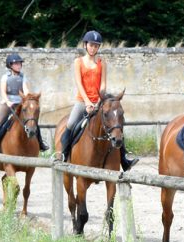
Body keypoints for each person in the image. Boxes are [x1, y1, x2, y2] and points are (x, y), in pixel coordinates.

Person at [59, 30, 138, 171]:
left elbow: (103, 85)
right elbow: (79, 83)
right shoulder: (78, 62)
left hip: (100, 101)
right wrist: (87, 102)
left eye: (96, 46)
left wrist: (98, 102)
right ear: (85, 45)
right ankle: (63, 155)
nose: (93, 48)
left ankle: (124, 160)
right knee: (70, 124)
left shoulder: (102, 63)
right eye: (91, 45)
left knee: (115, 124)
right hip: (82, 101)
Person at [0, 53, 49, 151]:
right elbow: (3, 92)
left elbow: (25, 90)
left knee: (32, 121)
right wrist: (7, 101)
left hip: (20, 103)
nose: (19, 66)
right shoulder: (5, 77)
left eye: (20, 64)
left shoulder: (23, 77)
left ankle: (41, 143)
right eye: (16, 64)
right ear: (10, 65)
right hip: (8, 103)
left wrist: (28, 98)